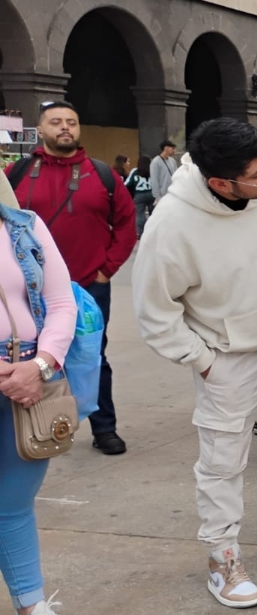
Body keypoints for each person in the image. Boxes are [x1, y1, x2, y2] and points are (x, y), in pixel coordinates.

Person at [132, 118, 257, 609]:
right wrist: (203, 361)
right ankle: (222, 555)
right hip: (228, 357)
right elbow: (155, 313)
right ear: (219, 183)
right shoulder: (171, 224)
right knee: (222, 461)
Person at [4, 100, 137, 456]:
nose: (66, 128)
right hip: (28, 293)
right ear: (40, 129)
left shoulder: (102, 174)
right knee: (32, 357)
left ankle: (103, 427)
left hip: (87, 289)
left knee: (92, 357)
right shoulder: (17, 172)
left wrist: (106, 269)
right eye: (57, 122)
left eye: (72, 122)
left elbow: (126, 225)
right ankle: (36, 426)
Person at [0, 171, 77, 615]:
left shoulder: (24, 226)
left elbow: (62, 304)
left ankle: (31, 603)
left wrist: (41, 365)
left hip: (28, 379)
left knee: (13, 503)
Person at [125, 155, 155, 238]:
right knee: (153, 214)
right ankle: (153, 231)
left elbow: (127, 183)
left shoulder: (135, 171)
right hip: (152, 194)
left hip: (139, 195)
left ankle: (138, 232)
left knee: (139, 214)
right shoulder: (152, 170)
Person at [150, 139, 178, 204]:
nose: (174, 151)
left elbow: (176, 176)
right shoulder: (155, 162)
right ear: (166, 148)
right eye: (173, 148)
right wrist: (157, 197)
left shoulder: (172, 161)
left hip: (173, 194)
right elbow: (154, 180)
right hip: (163, 196)